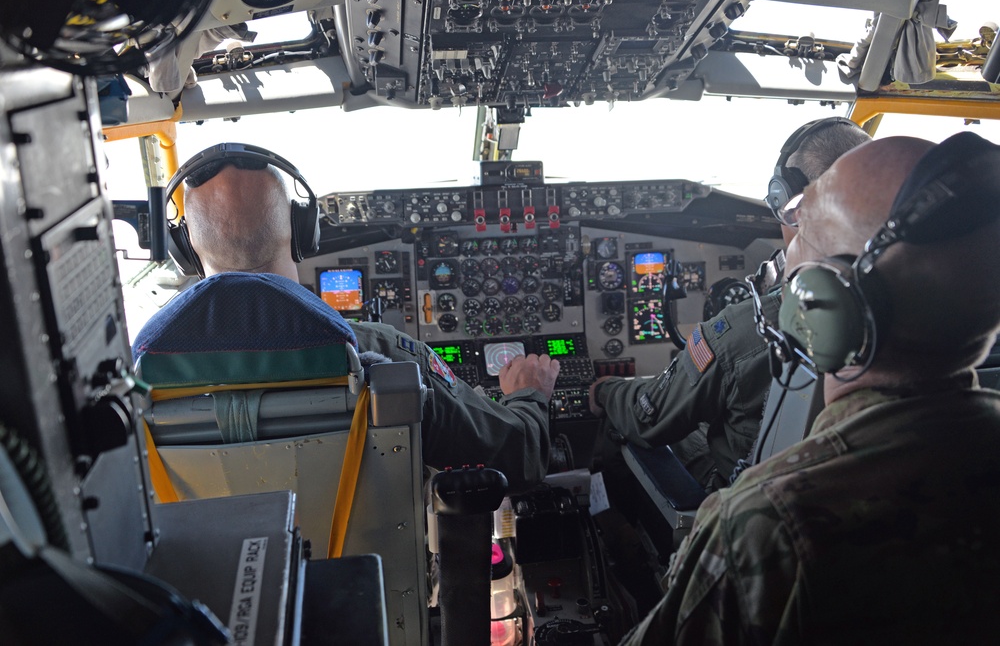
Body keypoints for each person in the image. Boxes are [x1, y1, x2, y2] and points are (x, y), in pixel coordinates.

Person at [620, 134, 1000, 644]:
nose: (786, 258)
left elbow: (650, 413)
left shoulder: (765, 528)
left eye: (805, 238)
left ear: (822, 306)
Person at [133, 155, 561, 493]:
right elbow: (517, 457)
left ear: (185, 245)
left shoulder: (139, 381)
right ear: (303, 231)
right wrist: (527, 395)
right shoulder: (375, 355)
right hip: (372, 583)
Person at [589, 118, 871, 490]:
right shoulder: (940, 300)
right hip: (859, 490)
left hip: (743, 497)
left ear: (788, 203)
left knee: (624, 416)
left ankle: (612, 532)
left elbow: (649, 417)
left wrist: (604, 390)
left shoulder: (750, 327)